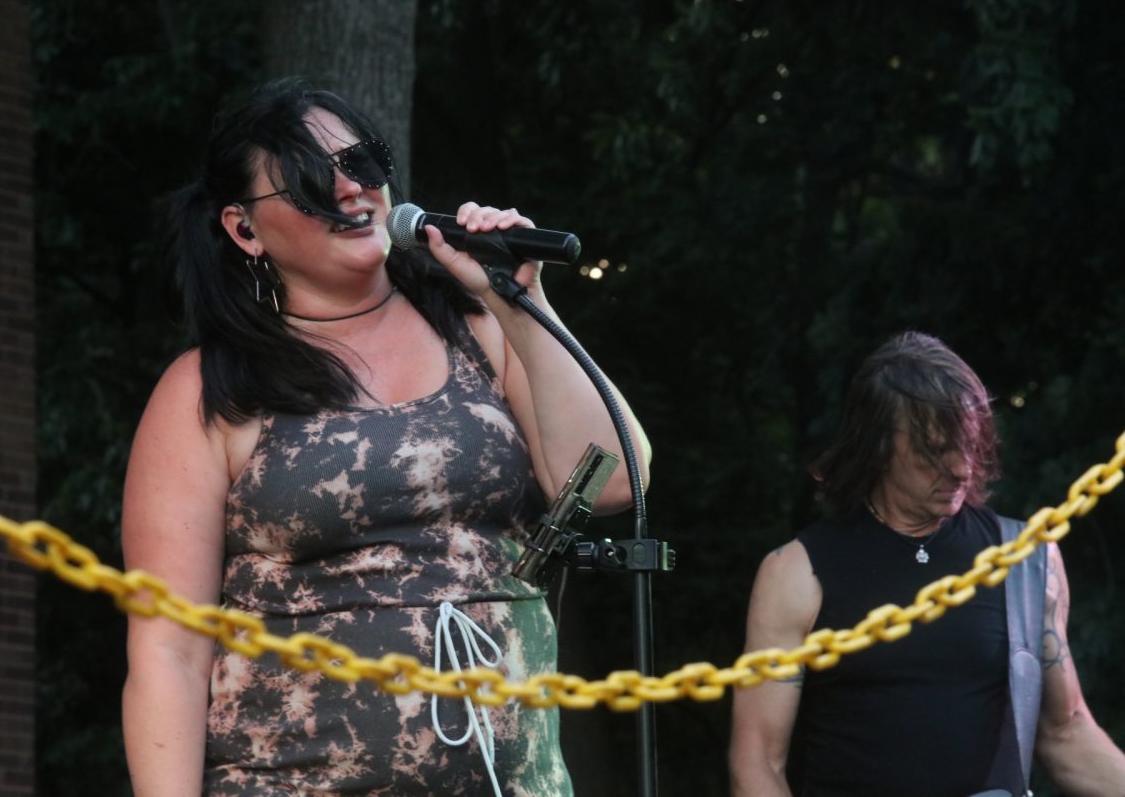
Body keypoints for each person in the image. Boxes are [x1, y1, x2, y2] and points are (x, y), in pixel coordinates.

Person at [120, 78, 651, 797]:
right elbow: (168, 650)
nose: (350, 192)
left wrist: (520, 299)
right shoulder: (209, 388)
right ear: (245, 229)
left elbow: (615, 480)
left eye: (362, 164)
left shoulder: (482, 332)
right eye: (311, 182)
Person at [728, 331, 1125, 797]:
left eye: (968, 445)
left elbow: (1067, 734)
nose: (960, 468)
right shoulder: (795, 573)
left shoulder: (1027, 560)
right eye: (935, 451)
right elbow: (757, 763)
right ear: (877, 446)